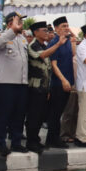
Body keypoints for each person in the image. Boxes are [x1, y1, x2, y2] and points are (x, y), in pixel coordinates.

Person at [25, 21, 67, 154]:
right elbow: (42, 56)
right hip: (34, 87)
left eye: (47, 31)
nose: (46, 33)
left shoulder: (43, 45)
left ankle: (35, 139)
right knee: (33, 115)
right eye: (44, 30)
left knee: (40, 115)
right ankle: (31, 141)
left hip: (43, 87)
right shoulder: (33, 46)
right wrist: (58, 44)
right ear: (36, 32)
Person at [0, 12, 29, 156]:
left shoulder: (22, 39)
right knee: (3, 115)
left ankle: (16, 142)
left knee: (19, 115)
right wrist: (12, 30)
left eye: (21, 22)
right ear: (10, 24)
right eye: (18, 22)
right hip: (6, 83)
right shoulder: (1, 36)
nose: (21, 24)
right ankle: (0, 143)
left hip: (21, 83)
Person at [47, 16, 76, 149]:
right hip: (58, 83)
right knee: (55, 113)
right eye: (63, 26)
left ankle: (53, 138)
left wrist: (74, 41)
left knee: (59, 111)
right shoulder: (54, 43)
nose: (66, 28)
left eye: (67, 25)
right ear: (56, 29)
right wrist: (63, 80)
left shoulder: (67, 42)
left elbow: (72, 55)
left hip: (68, 81)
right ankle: (52, 139)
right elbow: (54, 64)